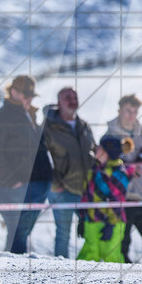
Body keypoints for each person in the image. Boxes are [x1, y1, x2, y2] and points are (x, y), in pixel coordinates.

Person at [0, 76, 53, 254]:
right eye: (25, 94)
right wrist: (11, 181)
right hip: (11, 188)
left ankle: (13, 272)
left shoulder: (28, 115)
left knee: (19, 235)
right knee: (17, 234)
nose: (29, 98)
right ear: (13, 92)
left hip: (33, 186)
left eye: (31, 95)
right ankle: (12, 273)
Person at [106, 94, 142, 264]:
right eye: (127, 111)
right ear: (119, 110)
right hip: (121, 200)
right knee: (122, 245)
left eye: (134, 111)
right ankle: (128, 281)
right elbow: (105, 168)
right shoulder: (109, 136)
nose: (131, 115)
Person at [42, 87, 96, 258]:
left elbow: (92, 152)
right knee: (64, 233)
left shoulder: (84, 126)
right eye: (67, 97)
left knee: (92, 230)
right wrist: (54, 184)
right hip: (61, 190)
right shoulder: (48, 128)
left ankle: (88, 268)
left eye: (75, 97)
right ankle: (61, 270)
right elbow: (42, 159)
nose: (72, 100)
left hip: (85, 189)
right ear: (59, 103)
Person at [77, 135, 135, 263]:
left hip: (112, 222)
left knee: (111, 257)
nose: (95, 151)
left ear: (107, 152)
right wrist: (82, 218)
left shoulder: (119, 173)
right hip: (92, 219)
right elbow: (87, 195)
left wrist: (111, 223)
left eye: (99, 148)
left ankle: (118, 283)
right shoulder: (95, 170)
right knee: (88, 255)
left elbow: (117, 201)